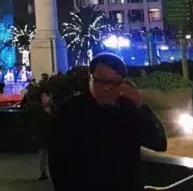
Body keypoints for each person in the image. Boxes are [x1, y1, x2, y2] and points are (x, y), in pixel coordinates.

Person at [49, 53, 167, 191]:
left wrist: (141, 107)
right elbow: (57, 162)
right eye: (101, 81)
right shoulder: (71, 110)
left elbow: (159, 143)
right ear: (90, 78)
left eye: (115, 83)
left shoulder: (128, 109)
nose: (107, 88)